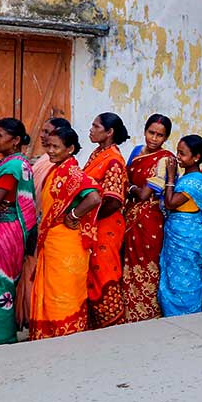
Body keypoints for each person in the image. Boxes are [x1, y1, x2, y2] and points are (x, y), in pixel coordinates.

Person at [30, 125, 102, 340]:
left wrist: (73, 215)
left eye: (56, 147)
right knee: (52, 290)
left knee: (64, 291)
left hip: (67, 244)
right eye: (49, 146)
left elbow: (94, 197)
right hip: (54, 242)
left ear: (70, 149)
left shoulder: (72, 173)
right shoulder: (57, 169)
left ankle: (67, 334)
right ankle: (50, 332)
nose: (50, 151)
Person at [122, 114, 174, 322]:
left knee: (148, 263)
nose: (154, 138)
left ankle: (148, 312)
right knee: (128, 262)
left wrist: (131, 188)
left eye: (159, 135)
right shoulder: (136, 152)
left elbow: (144, 193)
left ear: (166, 137)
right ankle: (129, 312)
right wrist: (132, 188)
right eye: (151, 133)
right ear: (144, 131)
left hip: (151, 219)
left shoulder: (166, 158)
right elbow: (125, 178)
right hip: (130, 217)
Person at [0, 119, 37, 345]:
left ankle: (0, 338)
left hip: (2, 233)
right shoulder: (13, 163)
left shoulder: (12, 167)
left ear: (16, 140)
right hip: (7, 231)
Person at [83, 112, 130, 329]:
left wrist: (88, 216)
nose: (91, 130)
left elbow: (113, 201)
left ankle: (112, 323)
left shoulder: (113, 160)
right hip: (95, 224)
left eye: (95, 126)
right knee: (91, 272)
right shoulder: (97, 153)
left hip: (106, 225)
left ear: (109, 132)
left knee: (104, 272)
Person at [159, 135, 202, 317]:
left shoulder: (194, 180)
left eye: (182, 154)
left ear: (196, 157)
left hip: (187, 238)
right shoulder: (187, 177)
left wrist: (171, 177)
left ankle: (187, 317)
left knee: (185, 281)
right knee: (175, 278)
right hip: (178, 235)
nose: (177, 157)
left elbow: (170, 202)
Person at [32, 117, 71, 215]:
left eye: (47, 132)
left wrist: (73, 216)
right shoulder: (46, 158)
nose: (41, 135)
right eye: (42, 131)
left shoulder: (64, 165)